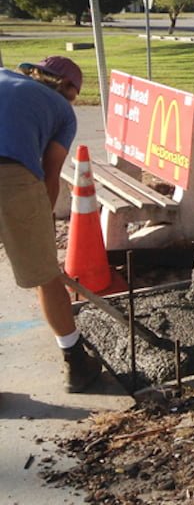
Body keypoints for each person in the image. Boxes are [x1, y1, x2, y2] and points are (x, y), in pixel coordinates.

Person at [0, 56, 103, 392]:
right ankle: (77, 365)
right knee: (46, 278)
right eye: (74, 94)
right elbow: (50, 172)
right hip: (13, 176)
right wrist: (40, 223)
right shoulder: (61, 111)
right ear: (68, 88)